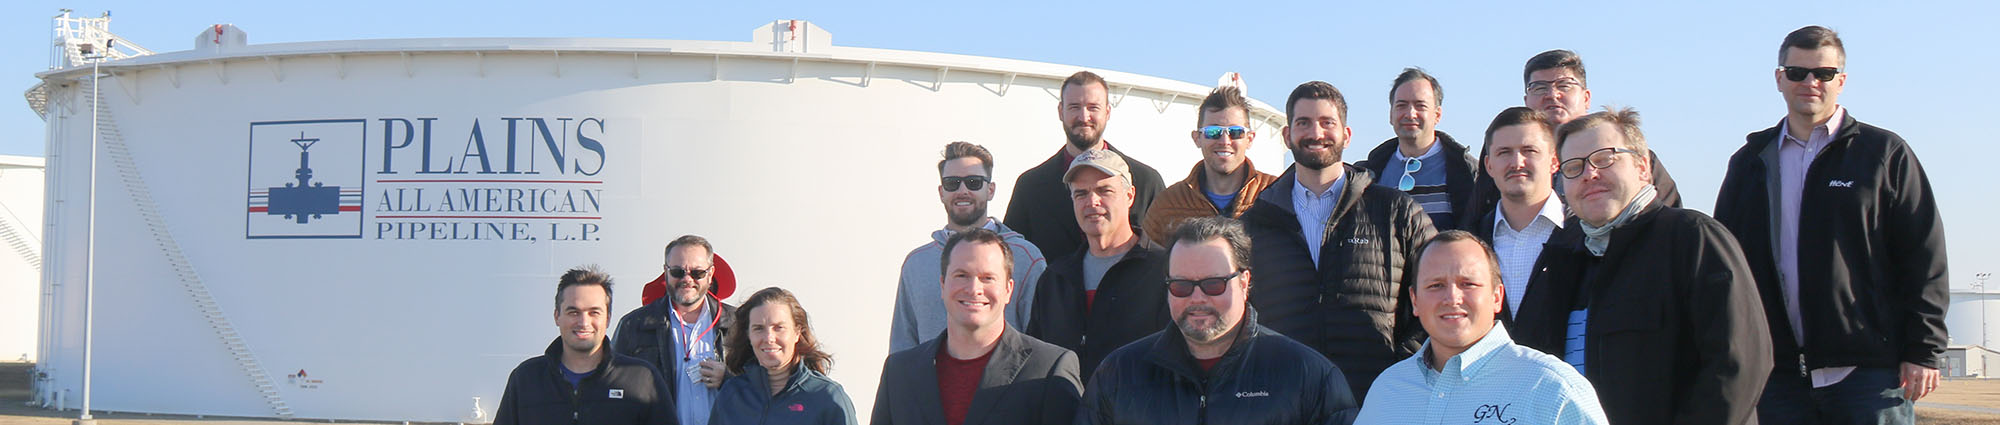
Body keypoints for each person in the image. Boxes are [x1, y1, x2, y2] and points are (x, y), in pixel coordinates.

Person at [1713, 25, 1950, 424]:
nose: (1810, 82)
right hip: (1779, 378)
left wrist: (1924, 350)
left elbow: (1923, 255)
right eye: (1797, 72)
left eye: (1823, 74)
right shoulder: (1750, 162)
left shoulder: (1883, 155)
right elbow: (1725, 265)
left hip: (1869, 376)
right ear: (1779, 79)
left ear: (1840, 81)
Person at [1512, 108, 1772, 425]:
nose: (1589, 174)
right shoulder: (1561, 258)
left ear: (1642, 167)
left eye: (1604, 158)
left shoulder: (1692, 238)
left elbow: (1738, 363)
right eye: (1574, 167)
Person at [1241, 81, 1434, 400]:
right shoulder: (1254, 223)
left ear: (1346, 134)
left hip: (1375, 399)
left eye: (1327, 123)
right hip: (1286, 398)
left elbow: (1438, 291)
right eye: (1303, 123)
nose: (1316, 133)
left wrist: (1401, 369)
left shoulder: (1396, 211)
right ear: (1287, 136)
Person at [1078, 216, 1359, 425]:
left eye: (1214, 284)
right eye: (1182, 286)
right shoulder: (1118, 375)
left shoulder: (1308, 376)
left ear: (1244, 282)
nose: (1197, 299)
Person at [1355, 230, 1607, 424]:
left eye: (1468, 284)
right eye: (1435, 286)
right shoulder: (1387, 389)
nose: (1452, 298)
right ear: (1415, 301)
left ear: (1497, 297)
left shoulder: (1552, 388)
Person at [872, 229, 1082, 425]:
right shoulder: (899, 373)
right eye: (961, 275)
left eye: (987, 278)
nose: (974, 289)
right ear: (943, 285)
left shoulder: (1048, 370)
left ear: (1009, 289)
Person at [1460, 49, 1681, 230]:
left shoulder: (1624, 154)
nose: (1552, 95)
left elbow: (1668, 215)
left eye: (1564, 85)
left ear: (1586, 98)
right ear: (1526, 100)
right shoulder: (1505, 156)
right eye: (1540, 87)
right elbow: (1478, 215)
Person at [1025, 149, 1171, 380]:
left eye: (1105, 190)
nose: (1092, 201)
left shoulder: (1165, 272)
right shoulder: (1055, 278)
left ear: (1130, 196)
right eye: (1081, 193)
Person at [891, 142, 1050, 353]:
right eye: (952, 183)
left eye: (974, 182)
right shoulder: (916, 264)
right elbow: (902, 345)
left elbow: (1043, 339)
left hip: (1005, 384)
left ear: (990, 190)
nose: (963, 190)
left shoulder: (1025, 257)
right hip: (931, 384)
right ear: (941, 192)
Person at [1005, 71, 1166, 257]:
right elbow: (1013, 258)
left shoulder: (1146, 181)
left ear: (1107, 112)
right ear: (1060, 111)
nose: (1083, 116)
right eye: (1074, 107)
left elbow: (1165, 253)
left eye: (1093, 107)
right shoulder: (1030, 187)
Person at [498, 266, 675, 425]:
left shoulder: (642, 378)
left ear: (607, 318)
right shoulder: (526, 379)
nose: (584, 322)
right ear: (557, 316)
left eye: (594, 312)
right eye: (573, 312)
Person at [614, 235, 736, 425]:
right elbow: (613, 392)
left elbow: (763, 385)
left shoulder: (738, 324)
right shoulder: (634, 326)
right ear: (666, 272)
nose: (687, 279)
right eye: (678, 272)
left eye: (697, 273)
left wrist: (728, 379)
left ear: (711, 274)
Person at [1140, 85, 1278, 246]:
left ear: (1250, 139)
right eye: (1213, 132)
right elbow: (1146, 264)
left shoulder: (1275, 193)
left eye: (1235, 132)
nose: (1225, 141)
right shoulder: (1168, 204)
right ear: (1197, 138)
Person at [1463, 107, 1565, 322]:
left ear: (1554, 161)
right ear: (1489, 166)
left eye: (1529, 151)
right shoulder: (1471, 241)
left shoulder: (1582, 237)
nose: (1517, 162)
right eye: (1504, 152)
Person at [710, 287, 858, 425]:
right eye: (758, 328)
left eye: (779, 328)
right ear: (748, 335)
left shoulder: (828, 398)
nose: (769, 338)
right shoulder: (732, 394)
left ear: (797, 333)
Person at [1357, 68, 1476, 231]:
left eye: (1420, 105)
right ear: (1391, 115)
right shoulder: (1367, 174)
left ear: (1437, 115)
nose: (1410, 114)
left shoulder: (1467, 172)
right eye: (1401, 105)